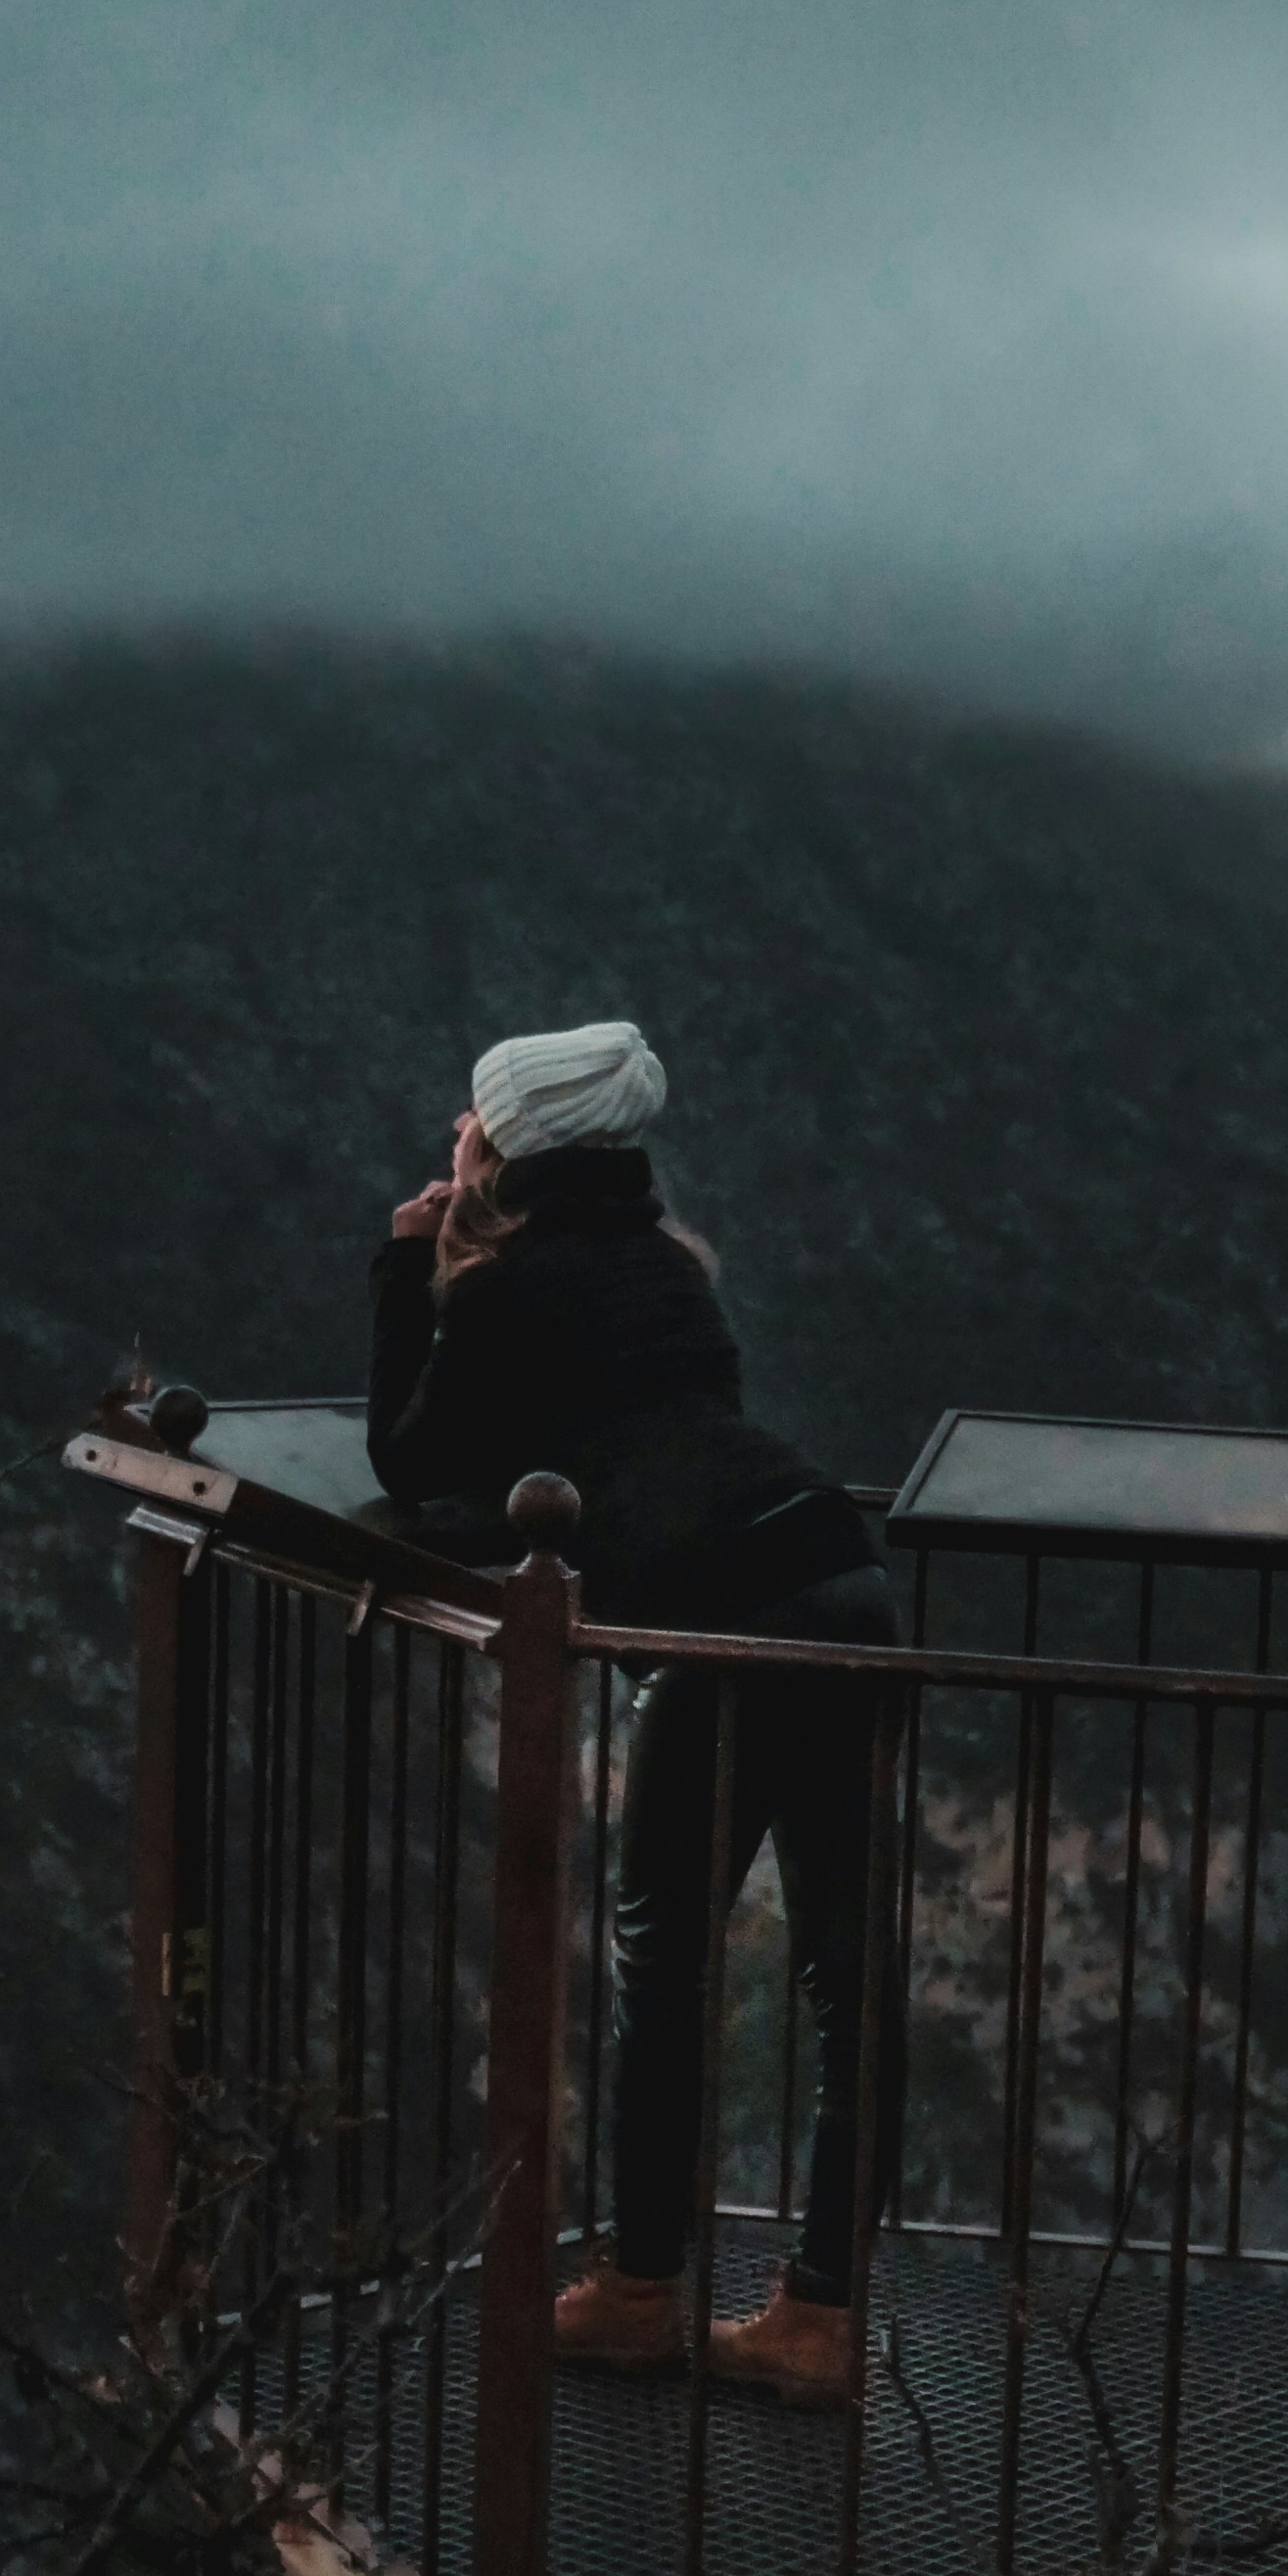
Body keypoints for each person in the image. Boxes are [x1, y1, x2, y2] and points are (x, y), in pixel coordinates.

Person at [371, 1018, 899, 2410]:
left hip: (732, 1612)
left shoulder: (504, 1293)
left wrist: (404, 1265)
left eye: (467, 1124)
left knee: (662, 1952)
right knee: (849, 1972)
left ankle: (641, 2290)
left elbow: (411, 1458)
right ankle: (822, 2318)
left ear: (502, 1147)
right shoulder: (672, 1272)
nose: (453, 1141)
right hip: (841, 1573)